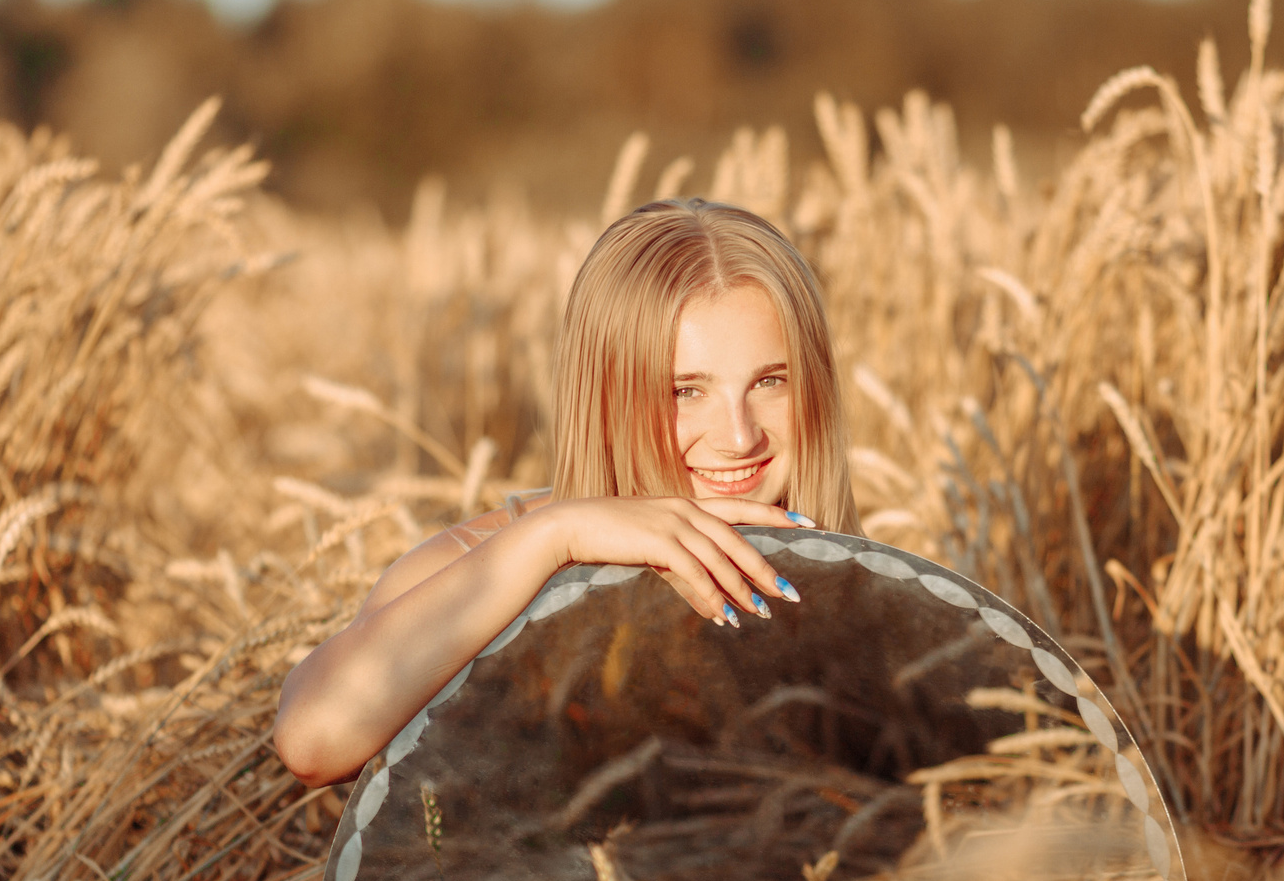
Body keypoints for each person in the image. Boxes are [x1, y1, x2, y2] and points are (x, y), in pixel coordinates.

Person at [272, 199, 862, 785]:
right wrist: (558, 535)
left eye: (771, 381)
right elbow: (314, 740)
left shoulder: (868, 590)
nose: (740, 436)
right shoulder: (487, 563)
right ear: (604, 398)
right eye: (684, 391)